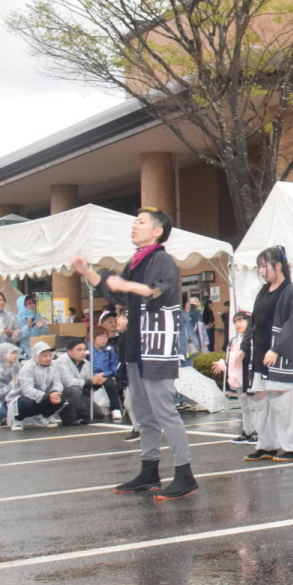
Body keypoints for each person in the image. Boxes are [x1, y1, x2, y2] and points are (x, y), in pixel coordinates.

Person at [72, 206, 198, 500]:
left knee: (165, 410)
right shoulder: (136, 261)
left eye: (140, 222)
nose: (134, 226)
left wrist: (127, 284)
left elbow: (160, 292)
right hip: (136, 343)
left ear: (157, 231)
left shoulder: (163, 260)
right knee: (142, 411)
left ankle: (184, 473)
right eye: (134, 222)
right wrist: (87, 270)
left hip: (157, 344)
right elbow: (114, 293)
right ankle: (149, 469)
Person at [240, 247, 293, 463]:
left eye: (264, 266)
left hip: (281, 355)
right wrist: (244, 346)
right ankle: (267, 445)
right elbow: (254, 320)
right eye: (259, 266)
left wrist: (276, 348)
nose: (261, 271)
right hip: (261, 354)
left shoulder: (290, 292)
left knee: (284, 400)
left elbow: (292, 325)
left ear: (278, 266)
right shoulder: (263, 291)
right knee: (261, 399)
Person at [212, 311, 259, 446]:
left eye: (240, 321)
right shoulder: (236, 340)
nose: (237, 324)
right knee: (245, 407)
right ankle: (247, 431)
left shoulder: (252, 338)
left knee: (253, 406)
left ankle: (257, 431)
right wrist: (223, 363)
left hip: (248, 378)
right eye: (235, 322)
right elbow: (232, 359)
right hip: (239, 379)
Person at [13, 341, 65, 429]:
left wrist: (54, 392)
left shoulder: (53, 365)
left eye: (50, 355)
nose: (49, 358)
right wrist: (47, 396)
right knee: (25, 403)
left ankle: (42, 416)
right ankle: (18, 419)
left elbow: (58, 383)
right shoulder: (28, 367)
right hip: (24, 397)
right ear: (36, 356)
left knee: (61, 398)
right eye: (45, 356)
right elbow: (27, 390)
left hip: (45, 396)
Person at [53, 336, 98, 425]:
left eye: (84, 349)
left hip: (79, 396)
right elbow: (68, 382)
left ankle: (77, 413)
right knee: (74, 389)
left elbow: (88, 384)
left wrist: (97, 383)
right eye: (79, 350)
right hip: (62, 394)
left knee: (97, 413)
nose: (83, 352)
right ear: (69, 351)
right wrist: (89, 382)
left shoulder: (86, 363)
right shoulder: (62, 361)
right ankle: (68, 417)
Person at [90, 329, 123, 422]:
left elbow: (114, 364)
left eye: (106, 337)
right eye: (101, 336)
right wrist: (94, 376)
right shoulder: (88, 349)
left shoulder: (109, 349)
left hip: (106, 375)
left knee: (111, 384)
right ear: (94, 338)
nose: (104, 339)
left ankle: (115, 409)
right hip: (91, 375)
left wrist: (106, 374)